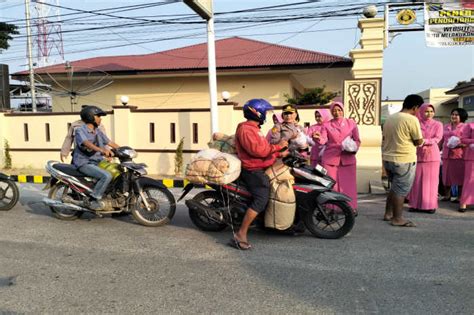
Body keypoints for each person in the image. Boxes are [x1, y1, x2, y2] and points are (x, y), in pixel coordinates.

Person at [231, 99, 288, 250]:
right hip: (252, 170)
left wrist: (278, 153)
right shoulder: (246, 129)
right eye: (265, 112)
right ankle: (241, 233)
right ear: (257, 112)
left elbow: (264, 148)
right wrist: (278, 147)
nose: (266, 115)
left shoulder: (254, 128)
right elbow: (259, 151)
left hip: (259, 166)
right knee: (261, 198)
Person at [382, 94, 424, 227]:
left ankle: (388, 213)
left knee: (394, 188)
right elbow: (418, 141)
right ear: (415, 107)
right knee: (400, 190)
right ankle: (397, 218)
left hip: (388, 158)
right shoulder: (412, 119)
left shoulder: (390, 118)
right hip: (404, 159)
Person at [315, 101, 360, 212]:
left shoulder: (351, 123)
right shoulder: (327, 125)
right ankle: (331, 207)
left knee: (348, 185)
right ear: (331, 112)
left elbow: (357, 140)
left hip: (347, 158)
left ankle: (350, 207)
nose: (337, 112)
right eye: (334, 111)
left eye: (339, 110)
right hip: (330, 158)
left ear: (343, 110)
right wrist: (317, 138)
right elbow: (323, 140)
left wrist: (353, 148)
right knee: (331, 184)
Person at [72, 106, 120, 211]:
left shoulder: (97, 131)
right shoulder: (80, 130)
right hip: (83, 163)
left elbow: (109, 142)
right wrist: (102, 150)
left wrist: (123, 150)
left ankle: (110, 198)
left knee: (116, 171)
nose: (100, 118)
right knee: (106, 176)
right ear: (90, 117)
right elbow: (86, 143)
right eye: (98, 116)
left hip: (96, 161)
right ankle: (94, 199)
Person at [407, 104, 443, 213]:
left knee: (431, 182)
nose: (429, 114)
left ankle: (430, 206)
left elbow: (438, 138)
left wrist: (424, 141)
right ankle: (414, 204)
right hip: (417, 155)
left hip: (432, 156)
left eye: (431, 111)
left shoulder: (438, 124)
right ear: (422, 111)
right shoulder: (416, 123)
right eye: (426, 111)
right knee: (416, 181)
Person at [440, 108, 468, 202]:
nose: (454, 116)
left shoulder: (465, 127)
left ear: (462, 116)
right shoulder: (446, 126)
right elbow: (441, 139)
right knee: (446, 175)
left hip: (459, 155)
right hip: (446, 155)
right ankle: (447, 195)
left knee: (459, 176)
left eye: (456, 115)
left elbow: (468, 141)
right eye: (452, 114)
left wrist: (460, 144)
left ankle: (460, 196)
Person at [459, 121, 474, 212]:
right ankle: (463, 202)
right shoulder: (470, 125)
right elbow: (463, 139)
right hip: (471, 157)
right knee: (469, 180)